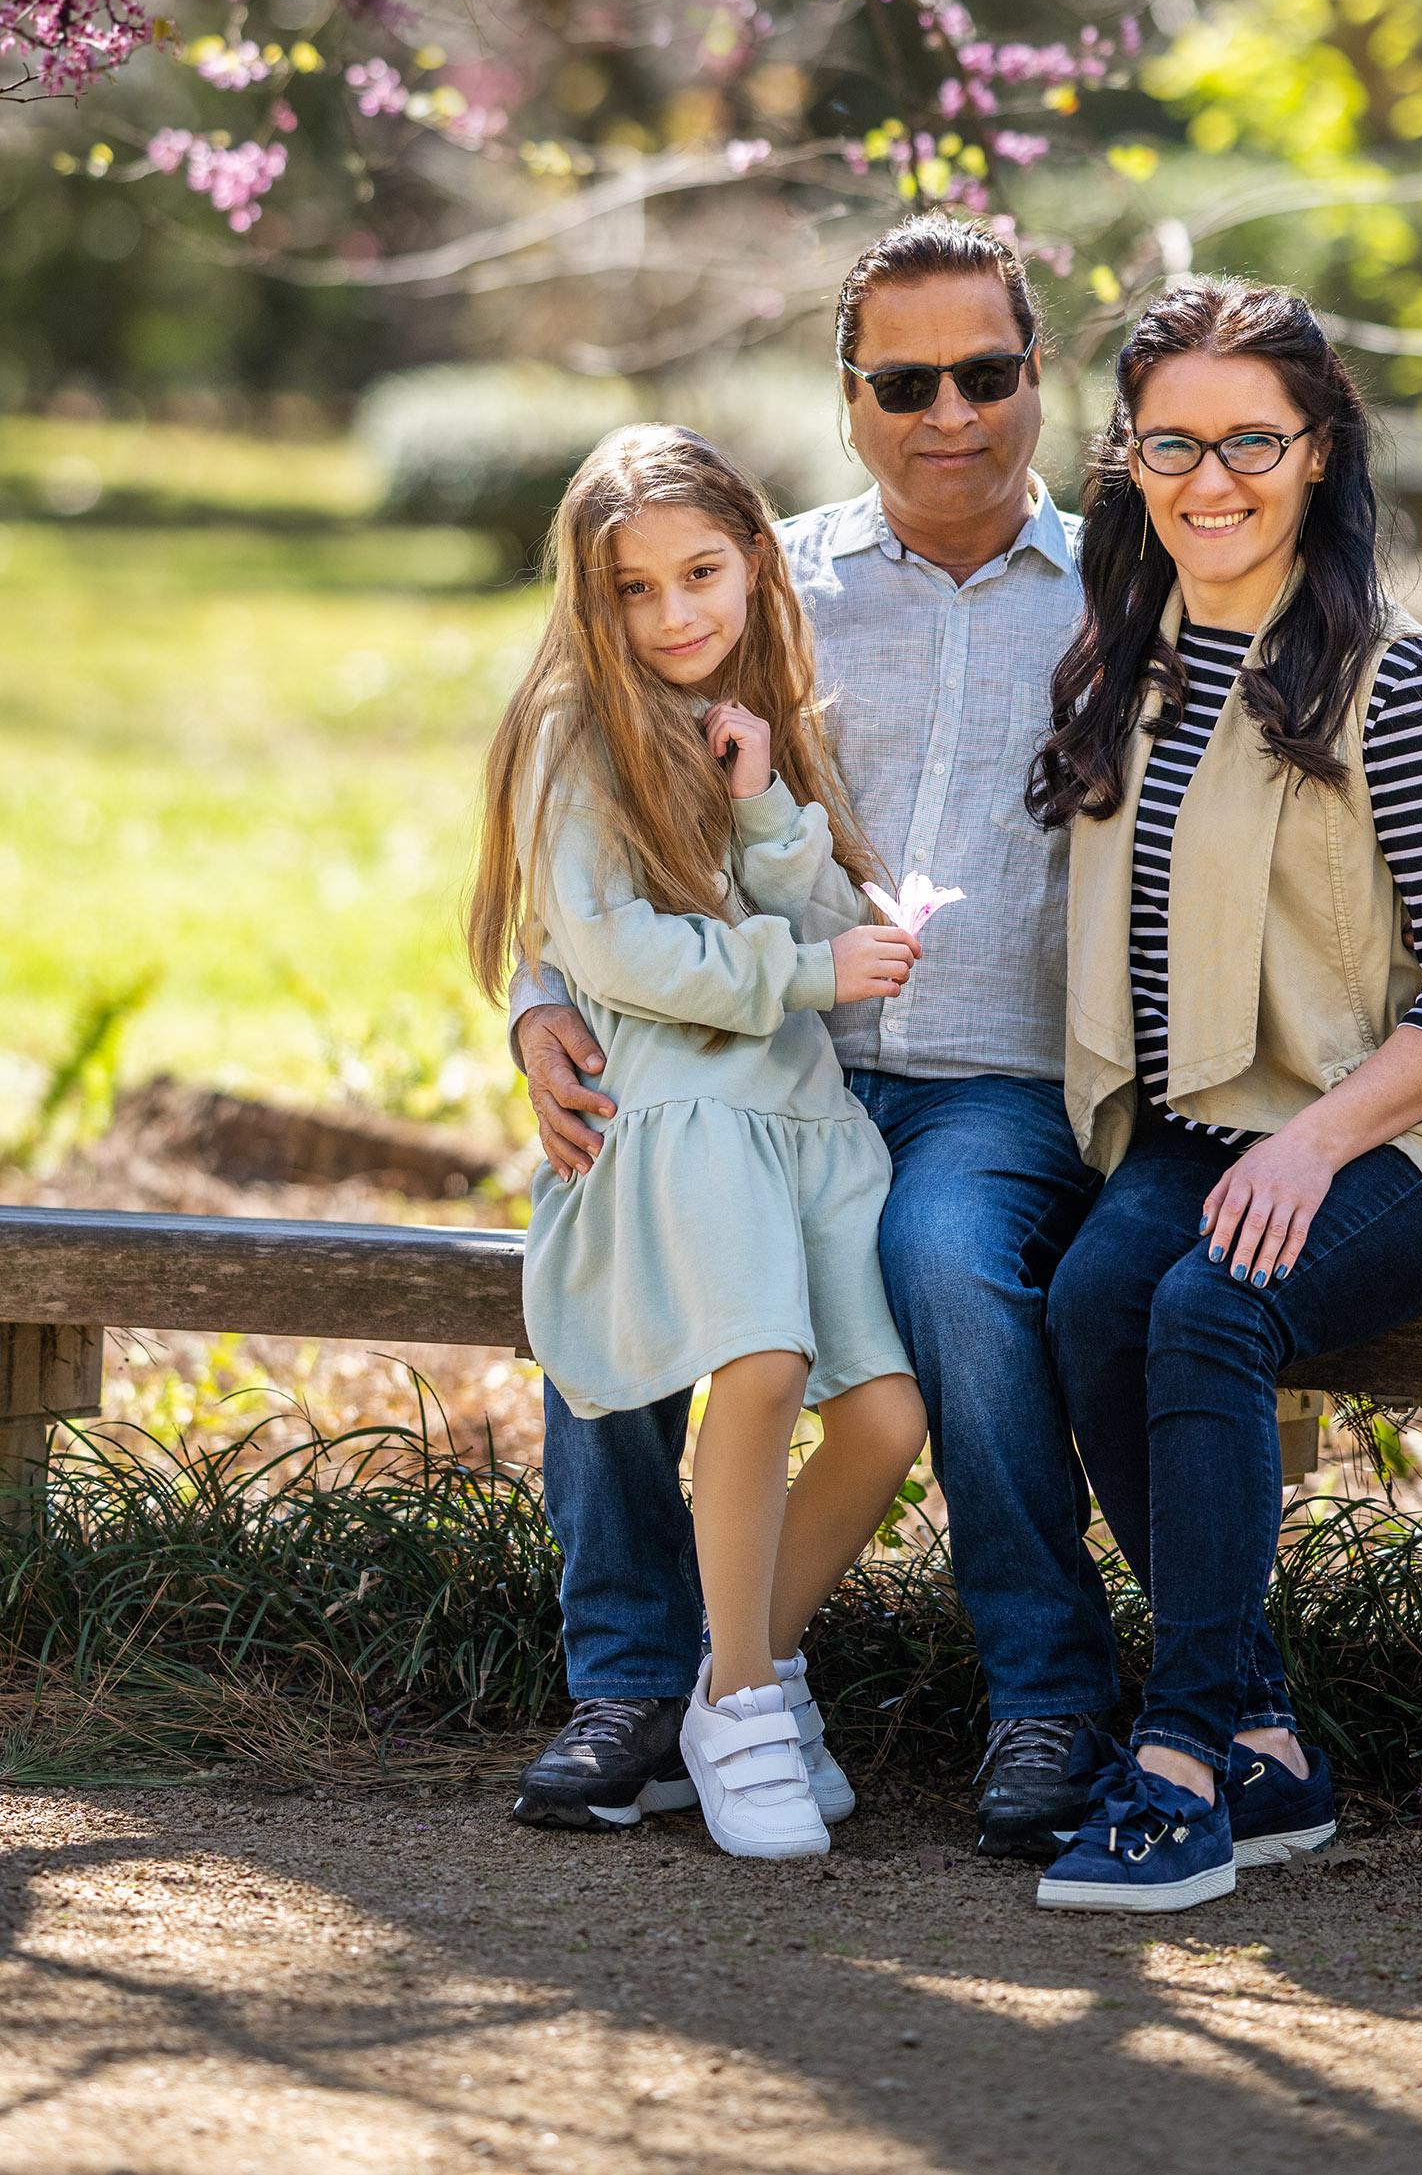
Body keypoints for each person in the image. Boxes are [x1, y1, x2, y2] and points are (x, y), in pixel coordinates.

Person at [510, 217, 1123, 1854]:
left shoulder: (1121, 602)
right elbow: (588, 831)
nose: (949, 412)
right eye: (905, 380)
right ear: (849, 395)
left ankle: (1047, 1698)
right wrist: (538, 1002)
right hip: (749, 1057)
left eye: (985, 374)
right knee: (626, 1214)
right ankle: (640, 1685)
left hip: (987, 1087)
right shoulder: (740, 575)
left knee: (942, 1269)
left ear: (1036, 379)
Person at [1025, 279, 1422, 1914]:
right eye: (1172, 442)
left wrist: (1320, 1140)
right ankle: (1262, 1726)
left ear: (1317, 453)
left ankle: (1182, 1760)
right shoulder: (1126, 664)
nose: (1213, 478)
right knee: (1095, 1294)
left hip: (1396, 1128)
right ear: (1127, 459)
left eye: (1251, 439)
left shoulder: (1393, 680)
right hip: (1201, 1123)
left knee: (1206, 1305)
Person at [468, 424, 927, 1859]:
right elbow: (607, 946)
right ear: (589, 601)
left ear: (754, 560)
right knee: (766, 1362)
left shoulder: (750, 715)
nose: (675, 615)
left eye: (702, 574)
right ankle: (727, 1694)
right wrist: (801, 974)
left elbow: (818, 915)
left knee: (885, 1415)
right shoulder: (572, 730)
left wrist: (765, 799)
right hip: (681, 1111)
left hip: (801, 1118)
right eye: (635, 589)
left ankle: (742, 1677)